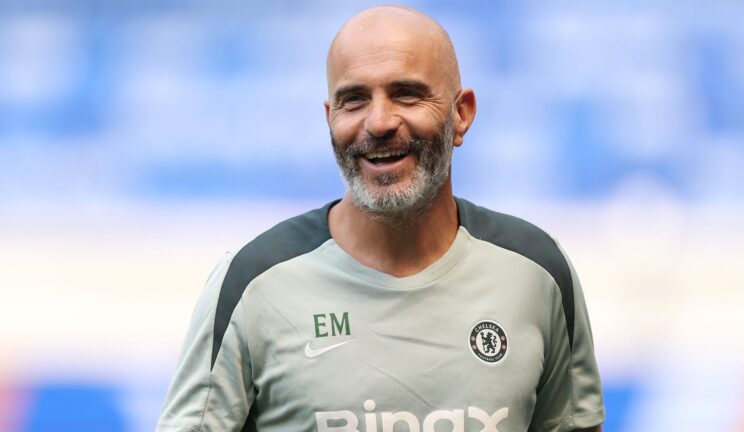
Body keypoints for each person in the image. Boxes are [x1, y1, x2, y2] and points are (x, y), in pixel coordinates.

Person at [157, 5, 605, 432]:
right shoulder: (252, 282)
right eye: (354, 100)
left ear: (461, 113)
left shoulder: (537, 272)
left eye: (406, 94)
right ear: (330, 118)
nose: (379, 122)